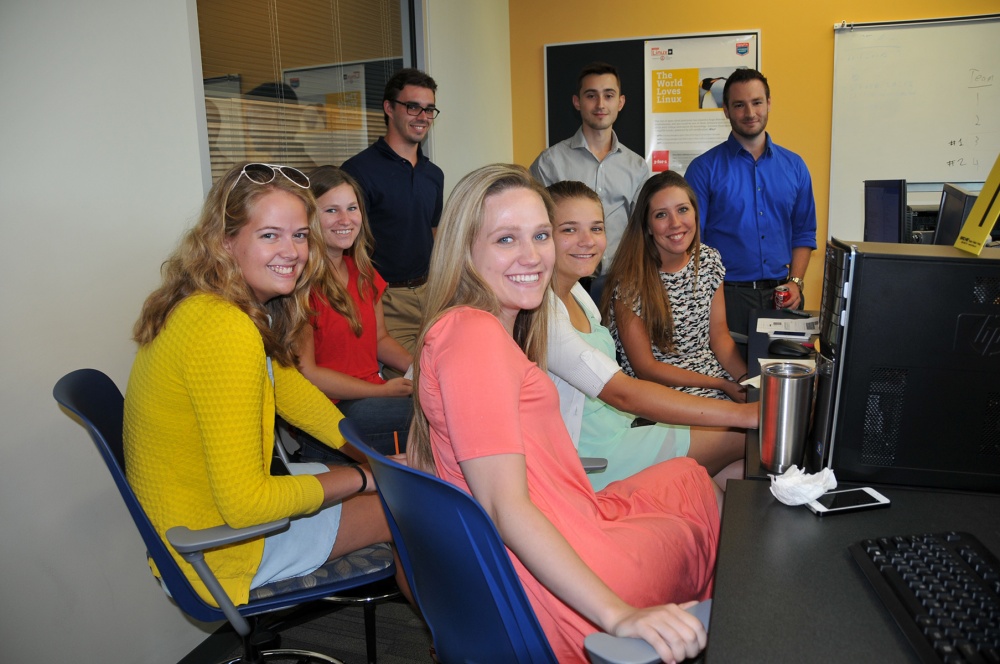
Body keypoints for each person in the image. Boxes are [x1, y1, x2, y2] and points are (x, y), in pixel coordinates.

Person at [409, 164, 718, 663]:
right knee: (698, 510)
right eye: (506, 240)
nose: (532, 257)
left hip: (561, 520)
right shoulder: (474, 337)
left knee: (687, 477)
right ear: (465, 249)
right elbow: (503, 506)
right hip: (552, 578)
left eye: (540, 236)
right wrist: (618, 616)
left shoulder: (482, 326)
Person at [123, 162, 402, 606]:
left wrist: (369, 459)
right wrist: (364, 478)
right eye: (269, 235)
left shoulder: (211, 305)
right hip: (220, 548)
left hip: (199, 520)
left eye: (299, 235)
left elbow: (291, 390)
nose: (292, 251)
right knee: (409, 510)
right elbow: (247, 504)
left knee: (386, 482)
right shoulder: (223, 329)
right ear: (224, 241)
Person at [545, 180, 756, 490]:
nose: (587, 241)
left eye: (596, 228)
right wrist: (745, 414)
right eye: (569, 230)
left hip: (621, 425)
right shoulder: (546, 317)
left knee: (740, 473)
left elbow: (719, 337)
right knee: (750, 439)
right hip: (598, 456)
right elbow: (625, 391)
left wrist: (746, 388)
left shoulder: (576, 291)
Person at [683, 68, 817, 340]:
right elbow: (692, 241)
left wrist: (796, 283)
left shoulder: (795, 167)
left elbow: (804, 233)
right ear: (726, 110)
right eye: (739, 105)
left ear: (768, 103)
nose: (749, 112)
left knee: (780, 377)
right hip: (726, 297)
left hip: (783, 296)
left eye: (756, 102)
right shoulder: (703, 170)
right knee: (732, 378)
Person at [294, 165, 413, 458]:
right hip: (330, 408)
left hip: (371, 394)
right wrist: (382, 391)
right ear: (308, 218)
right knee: (435, 412)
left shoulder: (362, 271)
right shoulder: (299, 283)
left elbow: (380, 340)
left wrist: (422, 367)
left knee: (441, 395)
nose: (345, 220)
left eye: (351, 208)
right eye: (331, 211)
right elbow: (307, 373)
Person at [602, 171, 748, 403]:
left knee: (766, 420)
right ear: (648, 226)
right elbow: (646, 369)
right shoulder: (630, 284)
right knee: (740, 431)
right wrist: (720, 384)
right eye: (661, 215)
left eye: (682, 210)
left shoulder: (708, 260)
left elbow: (719, 337)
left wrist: (746, 381)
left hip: (714, 379)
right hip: (661, 392)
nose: (675, 223)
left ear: (695, 213)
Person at [341, 68, 444, 367]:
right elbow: (346, 245)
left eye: (429, 109)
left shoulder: (433, 174)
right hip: (384, 298)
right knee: (406, 385)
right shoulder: (357, 171)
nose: (422, 116)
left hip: (429, 295)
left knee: (440, 376)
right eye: (412, 107)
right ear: (389, 107)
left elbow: (432, 233)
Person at [529, 62, 650, 269]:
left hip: (619, 277)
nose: (600, 104)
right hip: (565, 277)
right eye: (591, 95)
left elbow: (641, 228)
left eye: (609, 95)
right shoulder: (550, 163)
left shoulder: (637, 167)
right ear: (577, 102)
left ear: (620, 103)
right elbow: (534, 223)